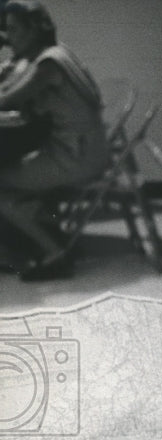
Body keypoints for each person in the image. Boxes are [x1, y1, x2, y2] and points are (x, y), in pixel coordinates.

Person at [0, 0, 108, 276]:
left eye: (13, 30)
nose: (7, 36)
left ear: (34, 29)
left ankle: (54, 251)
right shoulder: (58, 52)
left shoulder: (48, 65)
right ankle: (36, 230)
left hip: (75, 157)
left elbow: (7, 99)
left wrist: (9, 62)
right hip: (85, 149)